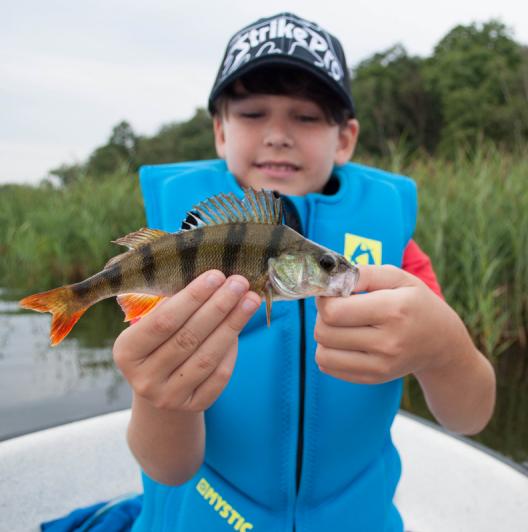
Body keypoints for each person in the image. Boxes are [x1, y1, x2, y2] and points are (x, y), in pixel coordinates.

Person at [45, 12, 495, 532]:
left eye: (306, 117)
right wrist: (159, 397)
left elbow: (471, 416)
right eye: (254, 113)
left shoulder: (397, 263)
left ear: (345, 138)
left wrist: (445, 349)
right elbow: (168, 468)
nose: (278, 135)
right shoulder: (176, 258)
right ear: (220, 131)